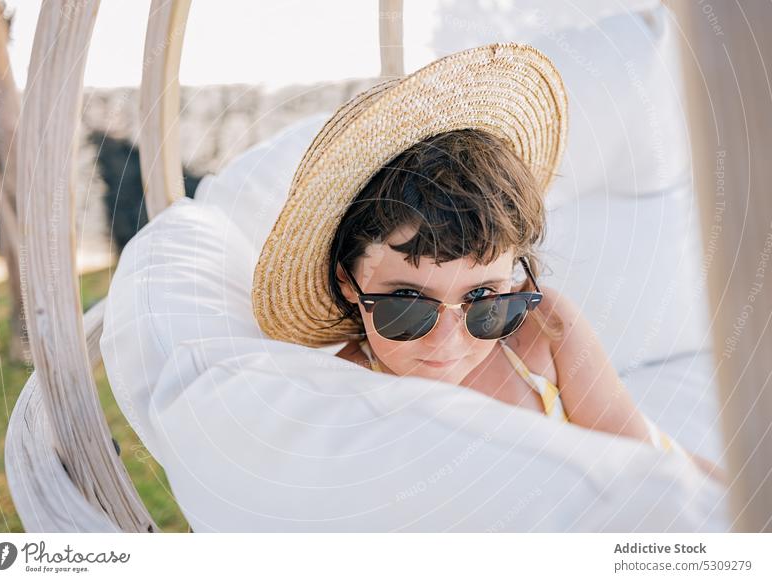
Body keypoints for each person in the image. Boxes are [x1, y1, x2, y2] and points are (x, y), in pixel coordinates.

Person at [250, 42, 726, 487]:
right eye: (408, 306)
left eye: (483, 301)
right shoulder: (348, 392)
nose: (449, 341)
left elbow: (643, 460)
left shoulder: (544, 332)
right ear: (348, 283)